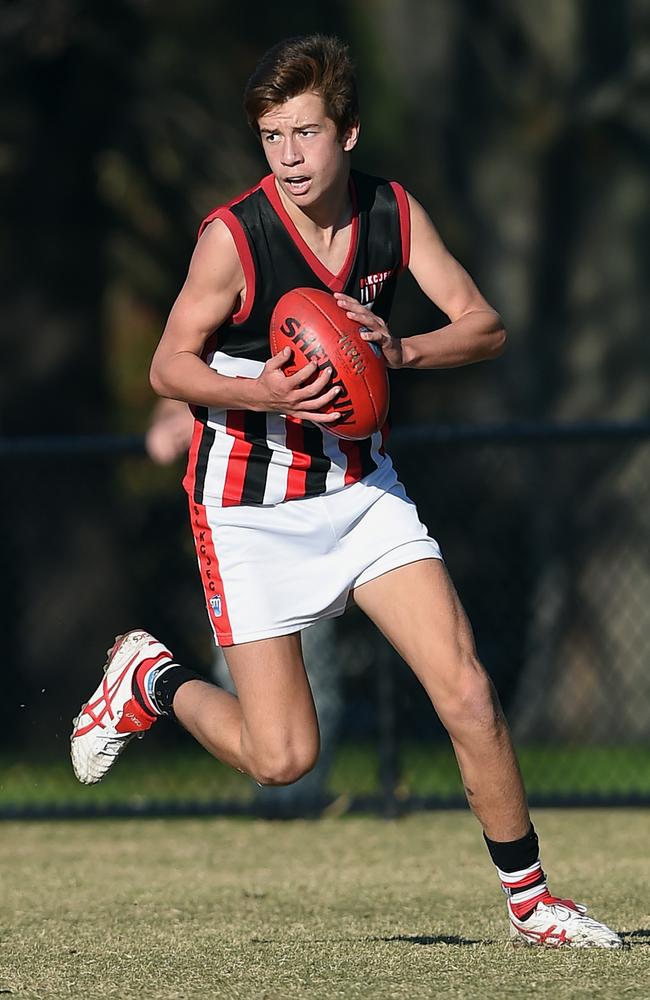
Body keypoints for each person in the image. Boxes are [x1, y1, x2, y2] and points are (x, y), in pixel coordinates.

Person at [71, 35, 621, 948]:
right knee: (283, 758)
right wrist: (263, 392)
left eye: (306, 133)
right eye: (271, 137)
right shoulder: (234, 236)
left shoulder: (392, 215)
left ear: (350, 132)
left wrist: (400, 350)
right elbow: (170, 364)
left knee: (469, 691)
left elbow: (484, 325)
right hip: (245, 509)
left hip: (362, 492)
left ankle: (533, 904)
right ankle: (150, 676)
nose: (288, 156)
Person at [145, 397, 343, 814]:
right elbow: (171, 385)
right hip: (239, 526)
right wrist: (174, 421)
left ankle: (299, 801)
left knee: (314, 668)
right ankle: (156, 680)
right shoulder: (214, 341)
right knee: (236, 678)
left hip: (313, 511)